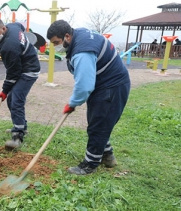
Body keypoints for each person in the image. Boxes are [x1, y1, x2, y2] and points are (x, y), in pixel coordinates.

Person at [46, 20, 130, 175]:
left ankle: (89, 165)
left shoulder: (82, 51)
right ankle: (108, 156)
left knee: (99, 126)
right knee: (97, 122)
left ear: (67, 36)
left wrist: (72, 103)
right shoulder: (79, 34)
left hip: (112, 86)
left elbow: (84, 85)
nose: (56, 46)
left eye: (57, 42)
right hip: (103, 84)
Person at [0, 17, 40, 150]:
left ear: (3, 29)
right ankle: (22, 126)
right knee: (12, 99)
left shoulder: (9, 47)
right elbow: (20, 26)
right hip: (22, 66)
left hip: (29, 70)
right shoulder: (13, 26)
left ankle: (18, 136)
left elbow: (13, 73)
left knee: (16, 99)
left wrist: (4, 90)